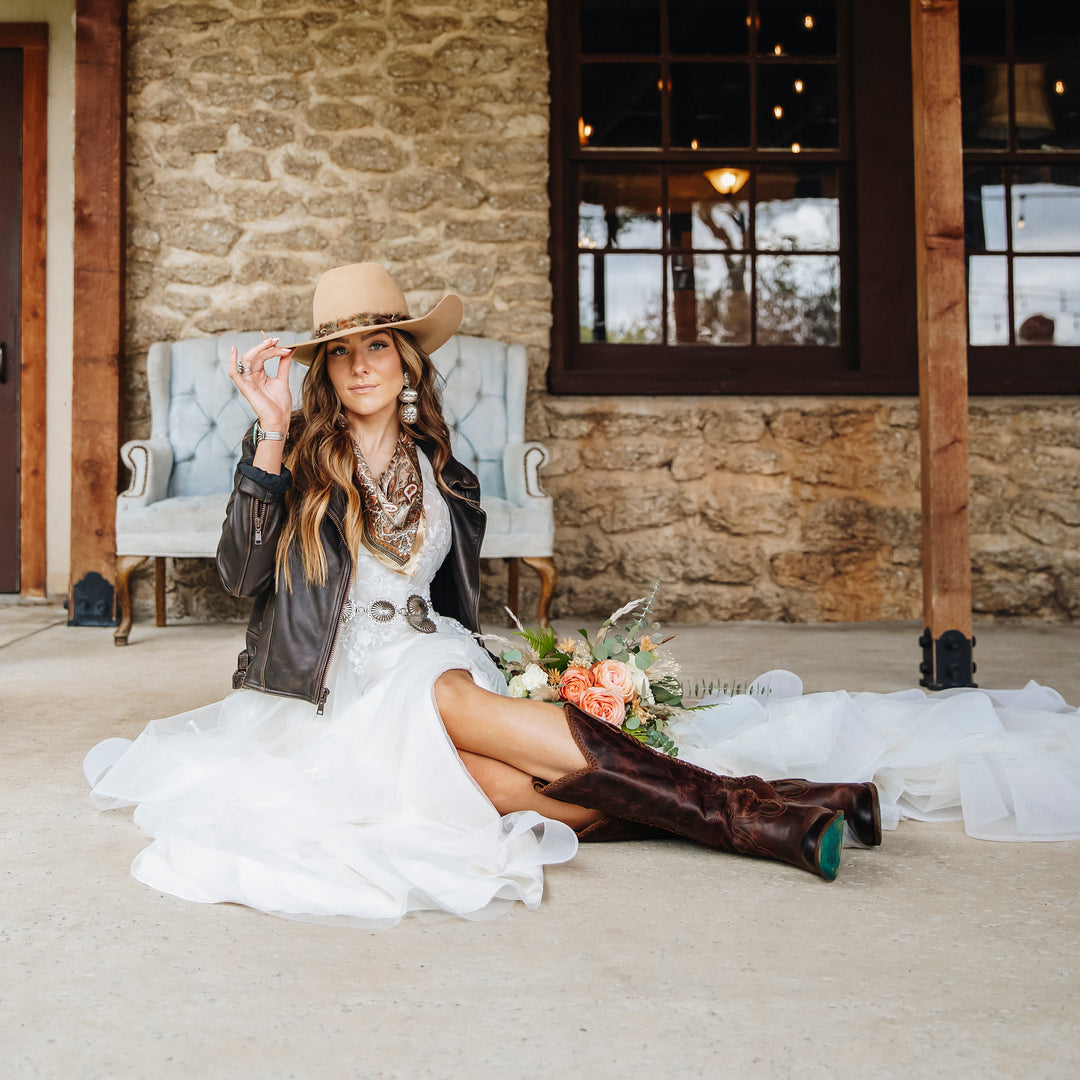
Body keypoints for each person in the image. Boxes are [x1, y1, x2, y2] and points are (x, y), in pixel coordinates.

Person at [84, 263, 882, 926]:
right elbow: (239, 577)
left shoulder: (449, 476)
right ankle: (791, 804)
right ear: (323, 370)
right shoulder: (293, 461)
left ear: (406, 361)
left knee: (454, 706)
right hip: (329, 687)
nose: (362, 364)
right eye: (341, 353)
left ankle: (761, 825)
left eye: (379, 345)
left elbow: (450, 597)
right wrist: (267, 430)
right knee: (505, 793)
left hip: (430, 659)